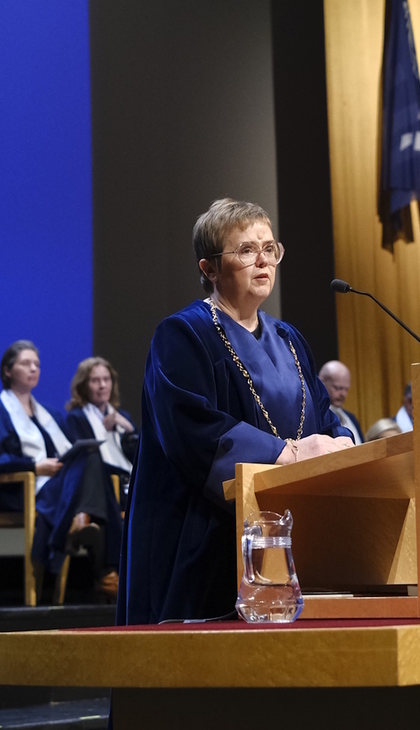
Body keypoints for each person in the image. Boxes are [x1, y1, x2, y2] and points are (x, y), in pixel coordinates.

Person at [121, 199, 354, 624]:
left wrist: (344, 445)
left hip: (291, 529)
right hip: (206, 533)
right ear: (209, 268)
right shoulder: (184, 334)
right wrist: (289, 453)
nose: (263, 261)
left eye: (270, 248)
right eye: (247, 250)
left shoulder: (288, 337)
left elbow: (324, 414)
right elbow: (192, 430)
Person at [0, 340, 122, 600]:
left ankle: (83, 526)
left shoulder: (49, 413)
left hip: (55, 487)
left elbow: (67, 453)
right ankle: (105, 569)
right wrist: (34, 467)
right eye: (26, 363)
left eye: (37, 364)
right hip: (20, 490)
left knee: (91, 457)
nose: (34, 369)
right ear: (7, 371)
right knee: (90, 465)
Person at [64, 356, 136, 483]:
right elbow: (87, 463)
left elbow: (139, 458)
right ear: (83, 386)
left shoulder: (123, 417)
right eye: (95, 380)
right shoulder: (76, 418)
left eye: (106, 379)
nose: (102, 385)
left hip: (129, 480)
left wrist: (130, 430)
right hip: (101, 483)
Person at [319, 360, 363, 443]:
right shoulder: (315, 417)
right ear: (322, 382)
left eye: (346, 389)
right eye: (338, 388)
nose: (343, 394)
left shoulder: (352, 418)